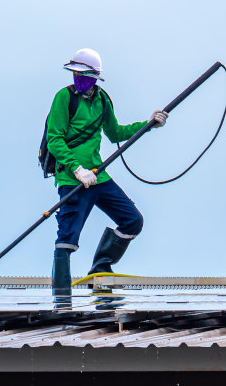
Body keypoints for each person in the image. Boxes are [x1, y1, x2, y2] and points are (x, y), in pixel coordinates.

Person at [45, 48, 169, 295]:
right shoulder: (64, 98)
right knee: (67, 238)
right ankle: (61, 302)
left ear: (94, 77)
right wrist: (77, 169)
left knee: (132, 220)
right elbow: (54, 139)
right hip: (73, 178)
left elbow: (115, 133)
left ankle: (101, 267)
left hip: (97, 175)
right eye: (75, 75)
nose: (78, 80)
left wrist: (147, 125)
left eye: (84, 75)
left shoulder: (102, 100)